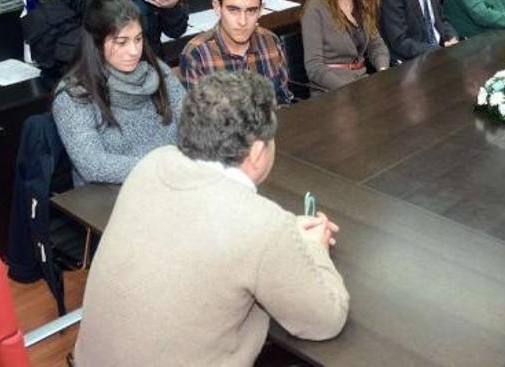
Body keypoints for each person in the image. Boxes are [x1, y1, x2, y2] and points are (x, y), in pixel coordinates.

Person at [73, 71, 349, 366]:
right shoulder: (262, 225)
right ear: (257, 152)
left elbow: (199, 227)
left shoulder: (152, 164)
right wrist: (314, 249)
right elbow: (325, 321)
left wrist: (285, 236)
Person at [52, 0, 184, 186]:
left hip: (173, 183)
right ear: (97, 44)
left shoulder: (158, 71)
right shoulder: (75, 95)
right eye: (122, 42)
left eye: (138, 39)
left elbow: (192, 122)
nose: (134, 51)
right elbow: (93, 165)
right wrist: (162, 168)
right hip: (113, 198)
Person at [179, 0, 294, 104]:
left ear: (261, 10)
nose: (243, 21)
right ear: (217, 8)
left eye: (251, 11)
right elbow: (195, 120)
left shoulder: (270, 42)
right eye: (233, 10)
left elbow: (284, 101)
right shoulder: (197, 54)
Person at [301, 0, 390, 92]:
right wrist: (349, 90)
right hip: (330, 91)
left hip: (361, 85)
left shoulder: (362, 3)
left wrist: (382, 70)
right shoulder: (315, 7)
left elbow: (377, 45)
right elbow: (314, 68)